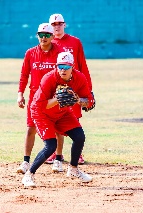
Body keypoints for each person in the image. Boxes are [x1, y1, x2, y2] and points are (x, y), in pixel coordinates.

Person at [21, 51, 94, 187]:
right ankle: (28, 175)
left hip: (62, 113)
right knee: (51, 146)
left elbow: (88, 101)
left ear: (72, 67)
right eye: (60, 66)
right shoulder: (49, 78)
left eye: (66, 67)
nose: (63, 70)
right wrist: (58, 99)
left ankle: (73, 169)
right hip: (41, 112)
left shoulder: (79, 78)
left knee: (79, 137)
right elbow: (41, 105)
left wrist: (78, 99)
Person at [45, 13, 94, 167]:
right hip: (55, 86)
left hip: (74, 86)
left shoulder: (75, 42)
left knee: (74, 118)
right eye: (53, 24)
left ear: (64, 24)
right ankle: (55, 152)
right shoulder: (47, 43)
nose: (57, 26)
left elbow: (82, 65)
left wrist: (89, 91)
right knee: (54, 119)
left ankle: (77, 152)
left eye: (59, 23)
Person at [16, 23, 65, 174]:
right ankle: (25, 161)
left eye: (47, 35)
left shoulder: (60, 52)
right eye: (41, 35)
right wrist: (20, 94)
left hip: (54, 98)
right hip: (35, 99)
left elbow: (66, 71)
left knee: (58, 129)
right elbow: (24, 75)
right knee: (31, 128)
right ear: (37, 36)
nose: (43, 38)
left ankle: (57, 159)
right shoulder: (30, 53)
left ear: (52, 37)